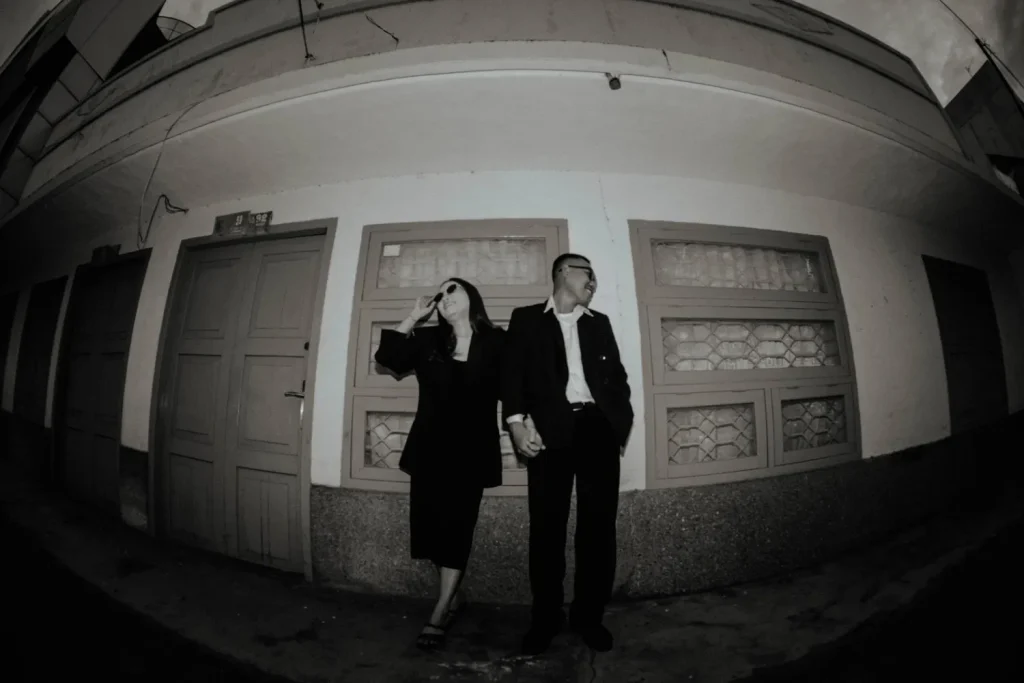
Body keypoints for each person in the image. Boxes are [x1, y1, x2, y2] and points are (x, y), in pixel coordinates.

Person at [501, 253, 633, 654]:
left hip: (597, 429)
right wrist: (516, 424)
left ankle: (588, 617)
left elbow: (617, 378)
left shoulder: (599, 323)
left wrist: (618, 421)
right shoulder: (526, 318)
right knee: (547, 528)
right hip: (548, 431)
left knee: (598, 528)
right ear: (563, 273)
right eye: (587, 274)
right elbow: (512, 375)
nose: (593, 282)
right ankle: (546, 618)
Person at [373, 277, 506, 650]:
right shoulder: (428, 339)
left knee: (458, 527)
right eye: (440, 293)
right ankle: (452, 594)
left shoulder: (497, 341)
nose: (444, 297)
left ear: (471, 297)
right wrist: (413, 317)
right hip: (429, 448)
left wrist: (521, 420)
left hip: (472, 450)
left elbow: (515, 386)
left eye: (453, 289)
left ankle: (441, 608)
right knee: (431, 528)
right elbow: (387, 359)